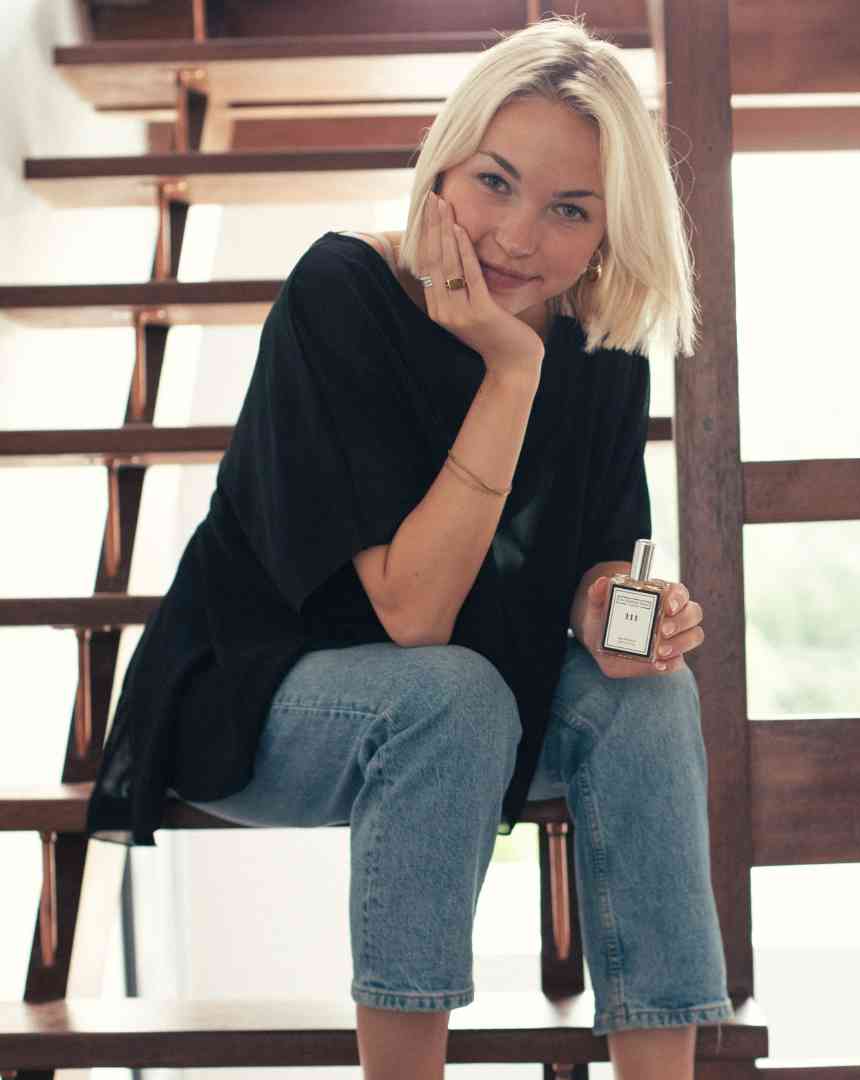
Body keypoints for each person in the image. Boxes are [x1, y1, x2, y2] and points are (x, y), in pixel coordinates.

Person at [86, 14, 734, 1080]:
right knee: (451, 688)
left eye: (568, 209)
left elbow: (591, 558)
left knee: (649, 698)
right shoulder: (339, 293)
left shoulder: (604, 355)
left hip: (474, 703)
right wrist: (508, 369)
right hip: (263, 695)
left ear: (609, 230)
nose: (517, 238)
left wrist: (621, 610)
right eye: (495, 183)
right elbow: (413, 616)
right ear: (442, 170)